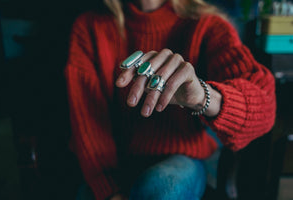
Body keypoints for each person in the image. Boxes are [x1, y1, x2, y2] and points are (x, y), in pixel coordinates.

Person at [64, 0, 276, 199]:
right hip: (110, 169)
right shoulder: (90, 27)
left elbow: (264, 109)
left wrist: (201, 97)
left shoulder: (208, 25)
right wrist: (110, 192)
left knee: (163, 185)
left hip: (180, 161)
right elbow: (88, 125)